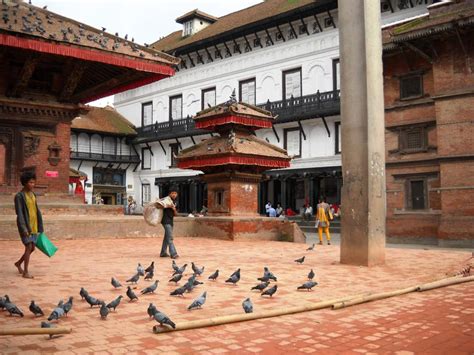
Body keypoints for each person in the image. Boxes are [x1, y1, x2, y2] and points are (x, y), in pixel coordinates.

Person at [14, 171, 44, 279]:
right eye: (30, 182)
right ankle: (25, 272)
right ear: (25, 183)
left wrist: (40, 226)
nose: (33, 184)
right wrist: (23, 228)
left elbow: (36, 210)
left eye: (34, 182)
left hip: (34, 225)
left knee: (32, 248)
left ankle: (18, 263)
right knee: (28, 247)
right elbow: (20, 213)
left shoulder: (33, 194)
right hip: (25, 226)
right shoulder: (19, 196)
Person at [160, 187, 179, 259]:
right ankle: (173, 253)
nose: (174, 194)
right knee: (170, 237)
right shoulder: (166, 200)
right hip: (165, 220)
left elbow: (176, 214)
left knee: (167, 237)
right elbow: (159, 205)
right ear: (169, 194)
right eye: (172, 193)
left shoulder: (176, 202)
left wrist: (173, 209)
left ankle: (163, 253)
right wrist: (168, 205)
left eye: (175, 193)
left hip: (171, 221)